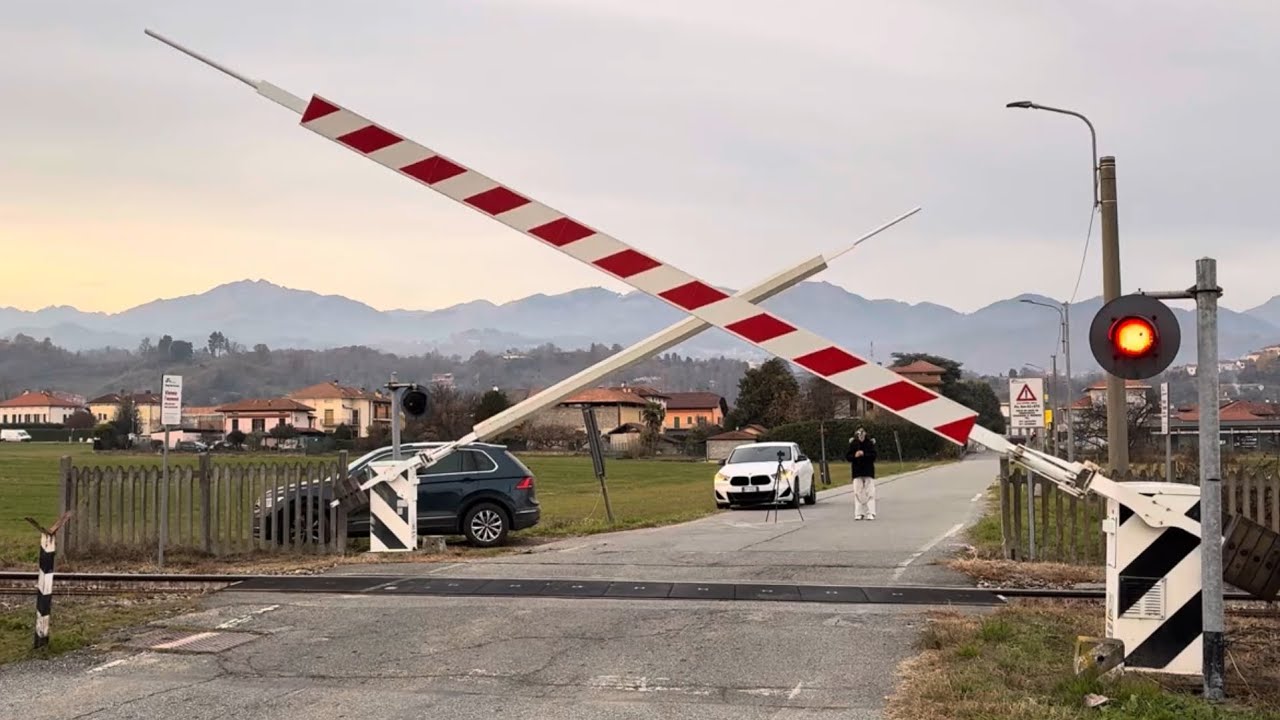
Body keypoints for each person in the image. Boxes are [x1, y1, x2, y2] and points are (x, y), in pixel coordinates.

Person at [845, 426, 878, 520]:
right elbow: (848, 456)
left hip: (868, 471)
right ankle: (859, 513)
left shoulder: (869, 443)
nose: (861, 436)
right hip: (857, 471)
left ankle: (871, 512)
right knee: (857, 492)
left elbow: (874, 455)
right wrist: (855, 455)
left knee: (870, 492)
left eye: (863, 434)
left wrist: (864, 454)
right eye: (859, 434)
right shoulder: (853, 444)